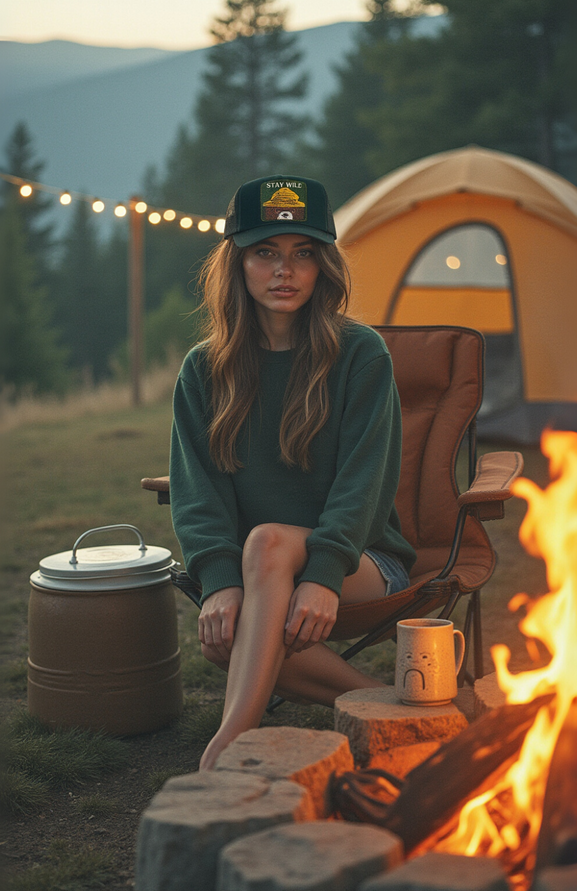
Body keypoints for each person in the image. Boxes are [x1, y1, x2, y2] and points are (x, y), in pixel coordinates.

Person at [169, 175, 416, 770]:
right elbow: (199, 493)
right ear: (238, 263)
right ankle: (384, 704)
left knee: (269, 541)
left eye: (303, 254)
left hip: (362, 560)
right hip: (263, 575)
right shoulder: (204, 370)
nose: (285, 271)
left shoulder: (361, 354)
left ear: (323, 265)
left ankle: (227, 747)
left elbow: (366, 482)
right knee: (232, 640)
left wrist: (325, 571)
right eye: (265, 253)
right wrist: (221, 580)